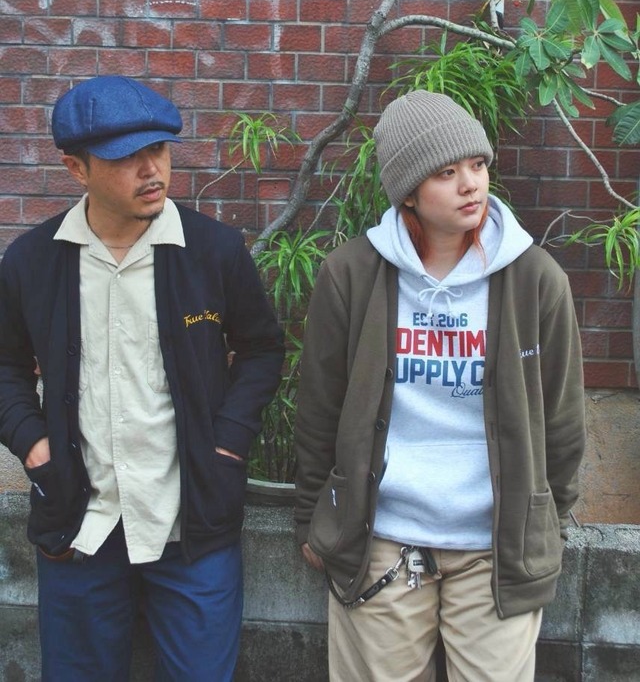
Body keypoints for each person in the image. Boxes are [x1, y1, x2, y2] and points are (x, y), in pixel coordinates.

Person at [294, 90, 586, 682]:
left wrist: (545, 524)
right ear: (408, 191)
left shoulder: (535, 279)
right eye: (446, 173)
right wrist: (312, 518)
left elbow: (561, 419)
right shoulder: (351, 275)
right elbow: (320, 407)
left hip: (496, 546)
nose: (470, 184)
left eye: (477, 165)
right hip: (380, 539)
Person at [0, 75, 285, 681]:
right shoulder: (32, 262)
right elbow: (4, 366)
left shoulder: (212, 251)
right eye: (125, 157)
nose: (151, 169)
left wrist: (228, 445)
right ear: (76, 169)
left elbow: (262, 350)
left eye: (157, 149)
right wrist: (34, 446)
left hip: (192, 523)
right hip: (81, 524)